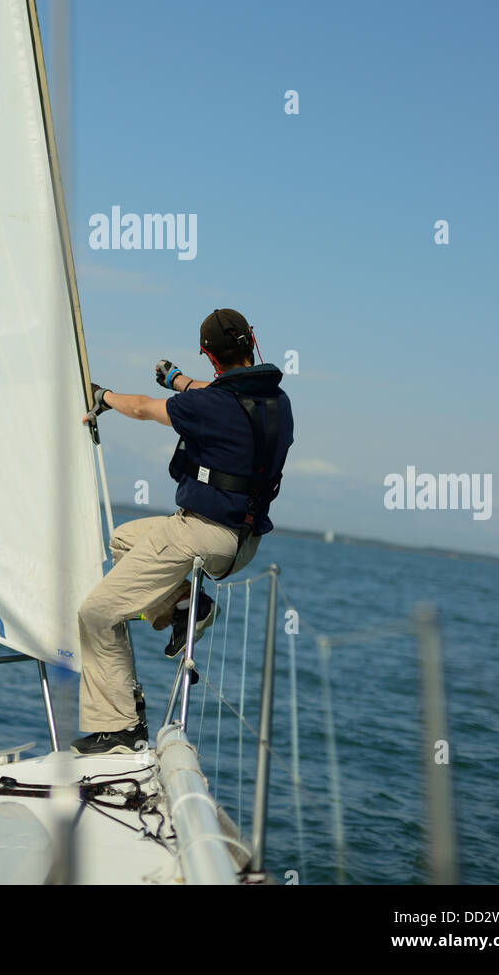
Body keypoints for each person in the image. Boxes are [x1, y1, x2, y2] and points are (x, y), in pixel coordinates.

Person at [71, 308, 294, 756]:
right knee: (123, 540)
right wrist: (175, 379)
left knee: (95, 615)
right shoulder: (277, 401)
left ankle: (120, 727)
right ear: (251, 341)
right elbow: (222, 392)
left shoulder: (206, 405)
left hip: (200, 534)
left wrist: (103, 395)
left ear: (208, 354)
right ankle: (186, 604)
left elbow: (140, 408)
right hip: (243, 542)